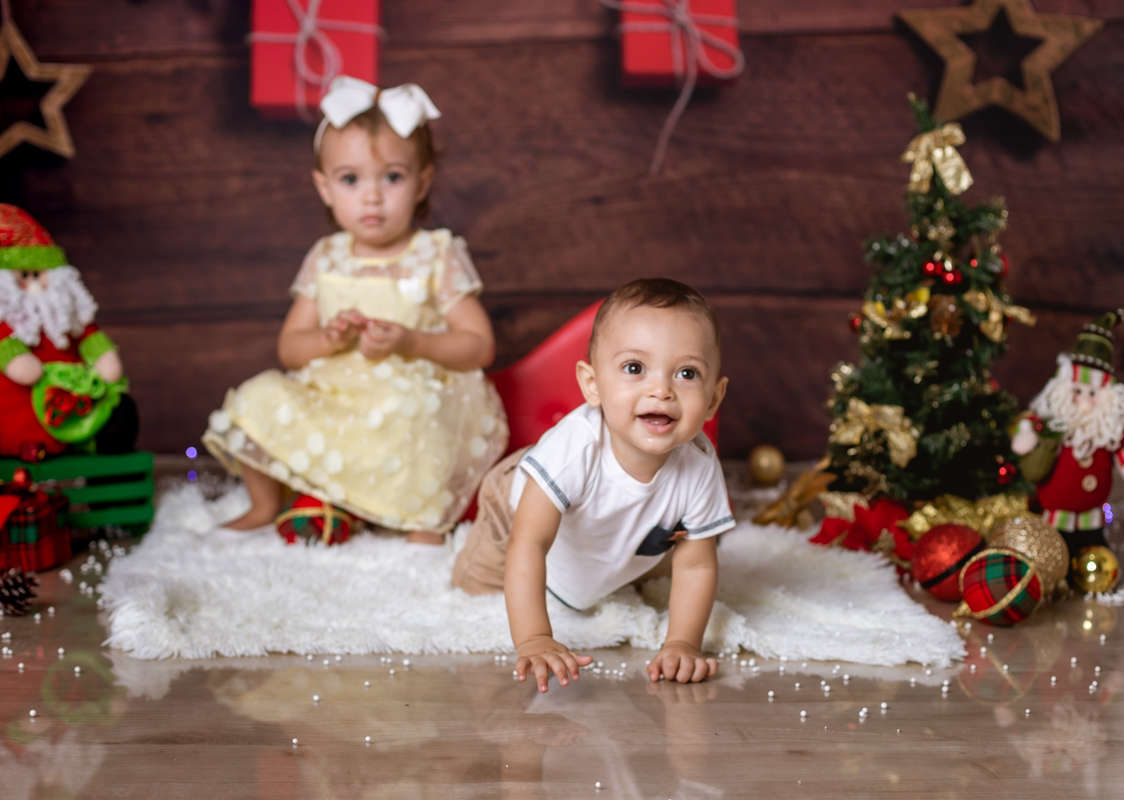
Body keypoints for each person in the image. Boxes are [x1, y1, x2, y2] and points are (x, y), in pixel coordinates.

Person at [203, 78, 507, 543]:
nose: (372, 196)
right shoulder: (326, 256)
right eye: (350, 179)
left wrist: (412, 341)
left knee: (418, 415)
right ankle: (265, 504)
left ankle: (418, 518)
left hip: (405, 397)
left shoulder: (435, 254)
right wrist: (328, 339)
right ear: (324, 188)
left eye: (392, 177)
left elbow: (480, 345)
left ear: (422, 181)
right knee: (259, 393)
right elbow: (290, 348)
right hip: (333, 398)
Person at [452, 279, 732, 690]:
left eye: (687, 373)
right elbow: (528, 543)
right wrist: (535, 638)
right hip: (516, 512)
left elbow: (696, 562)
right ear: (592, 384)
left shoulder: (700, 463)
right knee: (473, 586)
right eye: (634, 368)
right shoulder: (576, 446)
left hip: (609, 532)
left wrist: (683, 642)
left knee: (668, 551)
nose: (661, 390)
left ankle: (605, 566)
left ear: (712, 399)